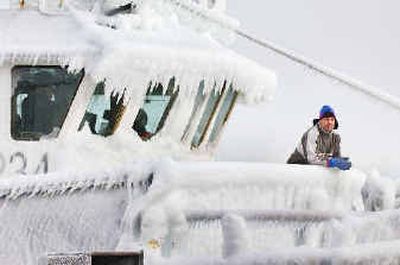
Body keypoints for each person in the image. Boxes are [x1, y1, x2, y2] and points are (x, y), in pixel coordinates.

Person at [287, 105, 351, 170]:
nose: (329, 122)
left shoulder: (335, 137)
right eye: (326, 119)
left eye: (332, 119)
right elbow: (311, 159)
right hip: (298, 166)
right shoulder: (312, 134)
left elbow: (335, 157)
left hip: (317, 169)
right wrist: (330, 162)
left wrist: (340, 161)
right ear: (320, 121)